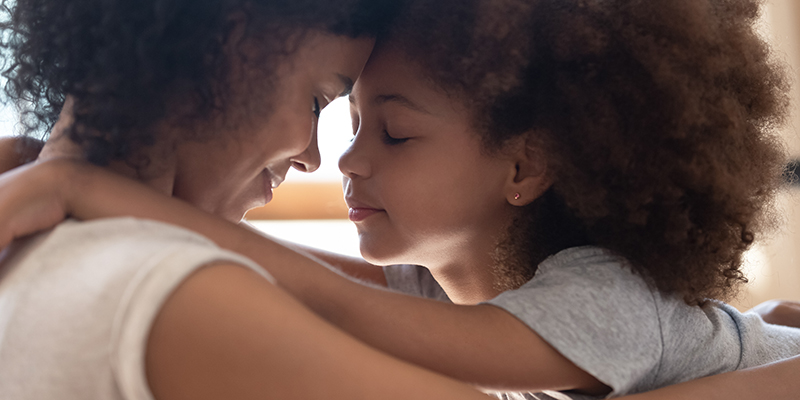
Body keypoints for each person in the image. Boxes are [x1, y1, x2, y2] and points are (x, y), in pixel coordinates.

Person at [1, 0, 800, 399]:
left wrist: (82, 183)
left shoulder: (603, 300)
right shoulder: (169, 292)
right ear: (230, 41)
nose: (329, 156)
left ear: (526, 167)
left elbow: (332, 298)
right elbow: (315, 280)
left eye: (395, 133)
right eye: (325, 102)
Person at [0, 0, 500, 399]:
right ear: (226, 49)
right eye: (316, 101)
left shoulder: (22, 242)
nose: (312, 158)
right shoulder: (181, 296)